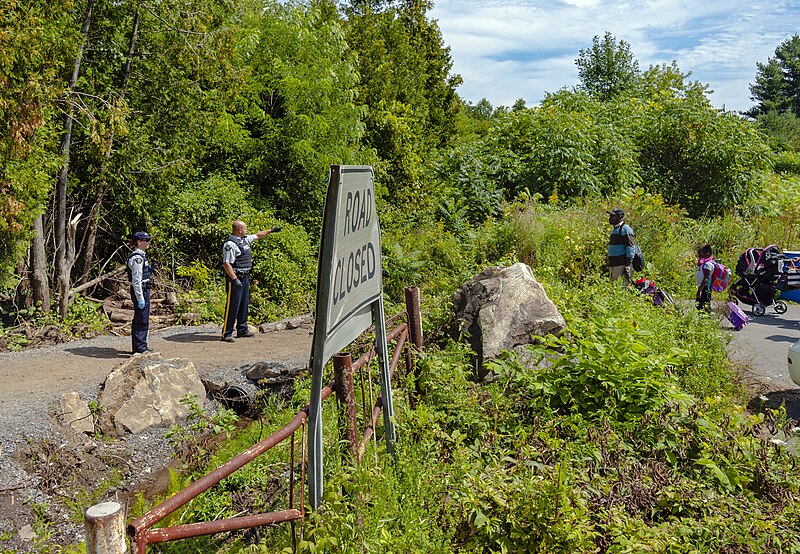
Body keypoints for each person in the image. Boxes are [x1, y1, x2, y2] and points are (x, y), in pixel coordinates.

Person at [221, 220, 282, 342]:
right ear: (239, 230)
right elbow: (226, 264)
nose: (247, 231)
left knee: (243, 304)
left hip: (245, 276)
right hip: (235, 277)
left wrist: (271, 231)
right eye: (245, 229)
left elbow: (258, 235)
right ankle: (226, 333)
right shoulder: (230, 244)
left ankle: (242, 329)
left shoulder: (245, 239)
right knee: (233, 305)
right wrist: (234, 279)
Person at [127, 231, 153, 353]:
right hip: (140, 290)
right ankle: (139, 349)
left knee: (144, 318)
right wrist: (140, 297)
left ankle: (142, 345)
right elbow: (136, 279)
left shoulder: (142, 256)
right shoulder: (137, 258)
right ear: (139, 242)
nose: (148, 243)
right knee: (141, 319)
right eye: (146, 240)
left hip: (144, 289)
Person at [607, 207, 635, 285]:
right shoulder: (615, 229)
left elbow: (630, 247)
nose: (610, 218)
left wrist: (628, 264)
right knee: (614, 287)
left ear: (620, 217)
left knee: (622, 287)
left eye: (613, 216)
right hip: (614, 264)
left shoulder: (625, 229)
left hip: (621, 264)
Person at [696, 244, 715, 311]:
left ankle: (706, 320)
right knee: (699, 304)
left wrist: (700, 290)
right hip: (703, 287)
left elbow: (706, 278)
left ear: (707, 254)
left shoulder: (708, 264)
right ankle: (703, 319)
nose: (699, 258)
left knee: (704, 306)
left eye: (701, 256)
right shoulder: (704, 264)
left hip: (706, 288)